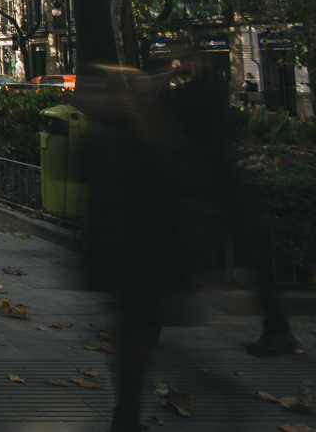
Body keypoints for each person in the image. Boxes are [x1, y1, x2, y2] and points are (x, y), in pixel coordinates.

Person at [80, 59, 302, 432]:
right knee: (142, 338)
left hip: (143, 257)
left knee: (138, 340)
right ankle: (130, 415)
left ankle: (130, 417)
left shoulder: (140, 136)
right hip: (143, 258)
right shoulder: (138, 132)